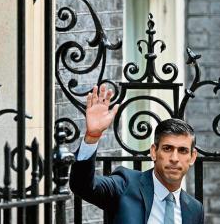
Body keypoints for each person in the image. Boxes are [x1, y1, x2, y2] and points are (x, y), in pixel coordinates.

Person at [69, 85, 204, 224]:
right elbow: (82, 186)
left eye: (182, 150)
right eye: (167, 148)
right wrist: (92, 136)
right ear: (153, 152)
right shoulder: (125, 184)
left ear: (193, 157)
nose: (174, 158)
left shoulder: (194, 209)